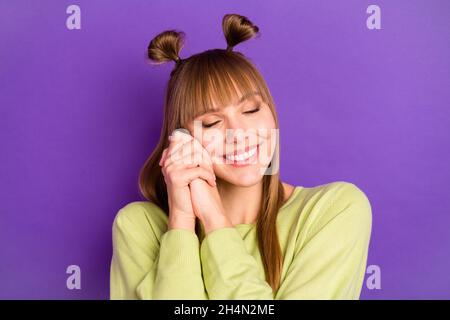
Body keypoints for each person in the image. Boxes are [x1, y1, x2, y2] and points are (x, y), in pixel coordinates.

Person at [110, 13, 372, 300]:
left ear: (271, 114)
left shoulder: (334, 210)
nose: (240, 132)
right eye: (211, 122)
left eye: (251, 110)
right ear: (181, 140)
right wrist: (182, 221)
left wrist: (213, 217)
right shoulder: (139, 227)